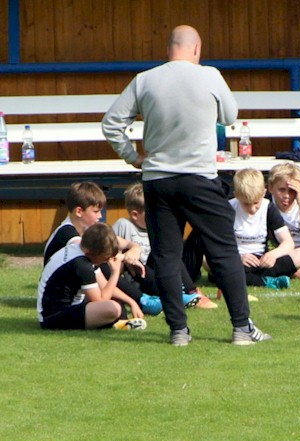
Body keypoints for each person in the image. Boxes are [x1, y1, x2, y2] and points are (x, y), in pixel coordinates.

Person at [102, 24, 268, 346]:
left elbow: (111, 123)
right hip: (200, 179)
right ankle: (241, 329)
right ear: (197, 49)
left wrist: (132, 157)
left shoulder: (145, 79)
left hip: (158, 181)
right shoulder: (210, 76)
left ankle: (178, 331)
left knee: (166, 256)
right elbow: (230, 116)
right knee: (224, 253)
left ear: (168, 50)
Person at [43, 181, 168, 316]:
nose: (100, 216)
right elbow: (98, 255)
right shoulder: (67, 233)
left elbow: (124, 244)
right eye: (96, 211)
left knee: (120, 256)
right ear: (79, 211)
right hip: (65, 292)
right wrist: (123, 258)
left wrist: (134, 249)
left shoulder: (89, 230)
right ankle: (143, 299)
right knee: (104, 261)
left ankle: (166, 293)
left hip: (85, 282)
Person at [112, 183, 217, 309]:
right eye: (151, 212)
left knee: (175, 245)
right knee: (157, 251)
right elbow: (111, 252)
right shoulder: (123, 225)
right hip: (142, 278)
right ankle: (185, 293)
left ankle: (190, 292)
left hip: (167, 272)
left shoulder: (158, 226)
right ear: (135, 214)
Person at [38, 223, 147, 331]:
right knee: (113, 309)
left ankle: (115, 323)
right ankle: (114, 324)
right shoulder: (82, 264)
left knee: (119, 307)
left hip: (63, 308)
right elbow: (100, 300)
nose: (106, 262)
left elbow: (104, 285)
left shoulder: (81, 251)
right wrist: (115, 273)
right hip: (52, 316)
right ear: (90, 253)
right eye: (104, 259)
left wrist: (131, 302)